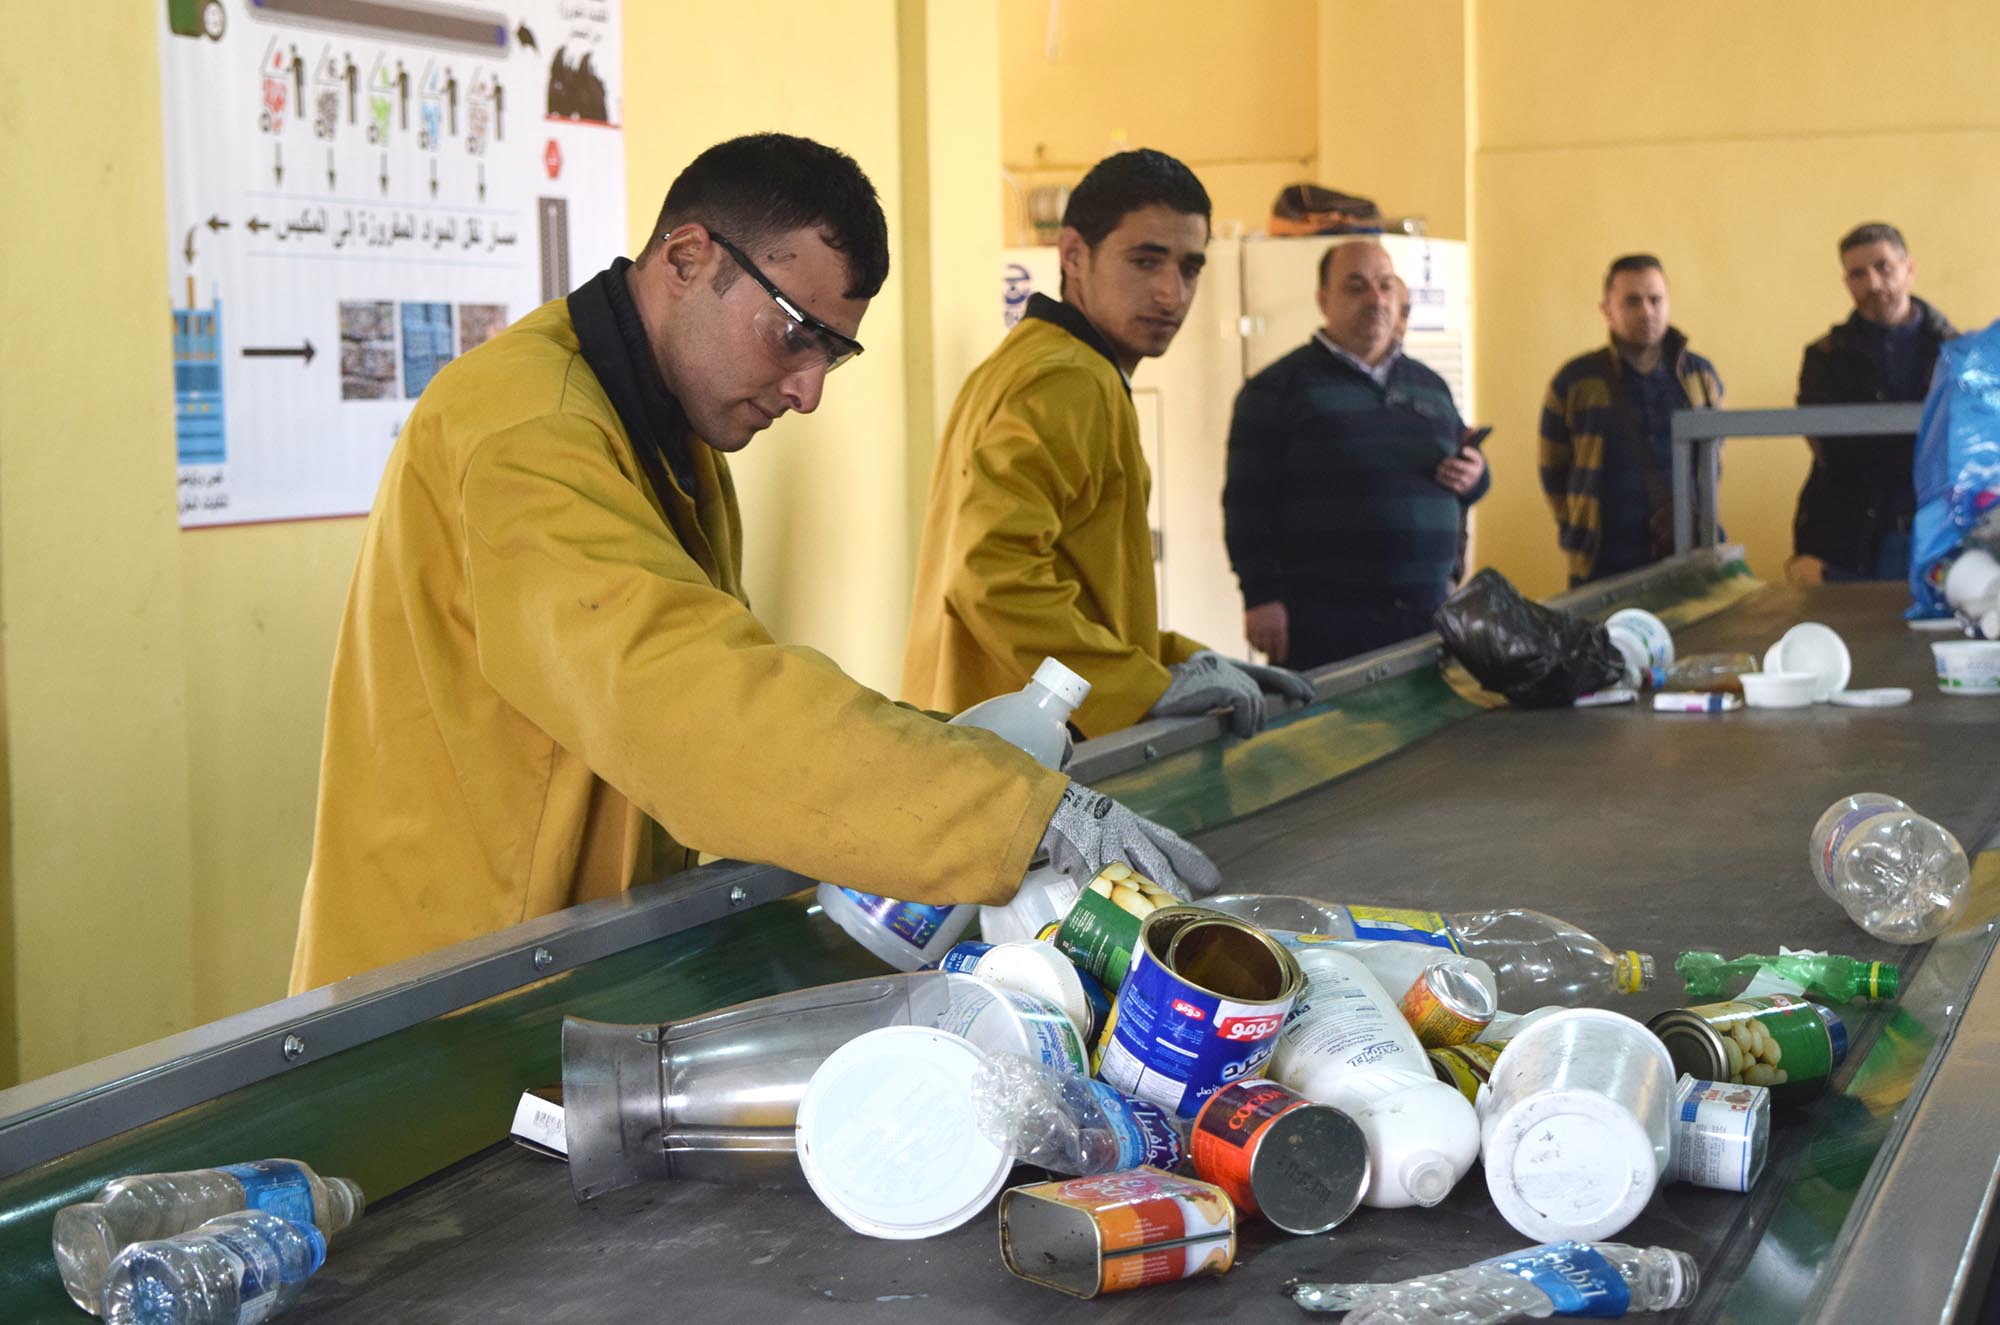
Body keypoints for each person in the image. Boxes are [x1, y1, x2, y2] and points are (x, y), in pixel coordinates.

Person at [289, 134, 1215, 991]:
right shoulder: (528, 429)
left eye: (833, 353)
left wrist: (972, 757)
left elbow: (738, 675)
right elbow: (687, 698)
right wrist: (1007, 809)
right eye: (793, 333)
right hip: (451, 986)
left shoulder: (663, 428)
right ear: (686, 258)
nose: (807, 390)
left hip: (565, 952)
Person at [902, 149, 1312, 737]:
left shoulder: (1033, 362)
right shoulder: (1067, 379)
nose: (1172, 295)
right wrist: (1144, 690)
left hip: (995, 738)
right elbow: (991, 578)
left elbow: (1091, 604)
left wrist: (1185, 663)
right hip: (1023, 754)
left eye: (1190, 268)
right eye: (1145, 261)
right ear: (1072, 255)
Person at [1223, 240, 1488, 670]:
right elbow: (1247, 504)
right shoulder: (1276, 389)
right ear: (1323, 299)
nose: (1376, 299)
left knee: (1426, 737)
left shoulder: (1430, 386)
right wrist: (1261, 597)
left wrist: (1475, 476)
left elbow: (1464, 479)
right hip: (1324, 622)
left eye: (1385, 286)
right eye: (1357, 286)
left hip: (1426, 616)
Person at [1539, 254, 1725, 586]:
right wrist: (1577, 529)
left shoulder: (1698, 376)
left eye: (1656, 300)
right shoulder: (1575, 382)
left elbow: (1714, 462)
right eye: (1632, 301)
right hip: (1602, 564)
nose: (1646, 312)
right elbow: (1553, 469)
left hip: (1686, 556)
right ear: (1606, 310)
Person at [1790, 222, 1956, 583]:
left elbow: (1967, 445)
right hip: (1849, 539)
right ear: (1847, 283)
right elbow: (1836, 453)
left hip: (1941, 536)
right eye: (1858, 274)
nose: (1874, 283)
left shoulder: (1957, 352)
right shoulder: (1825, 357)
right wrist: (1920, 450)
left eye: (1884, 267)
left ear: (1908, 269)